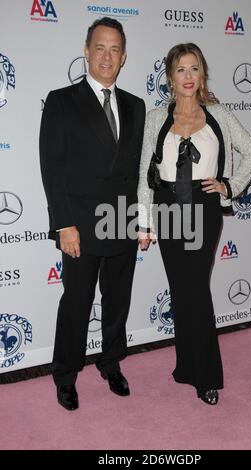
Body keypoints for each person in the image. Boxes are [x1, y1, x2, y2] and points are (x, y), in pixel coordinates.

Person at [138, 43, 251, 405]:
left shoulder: (219, 114)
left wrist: (230, 186)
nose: (188, 76)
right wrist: (145, 222)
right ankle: (186, 366)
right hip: (167, 207)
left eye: (194, 69)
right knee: (181, 288)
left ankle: (206, 375)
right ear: (170, 77)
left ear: (202, 74)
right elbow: (145, 173)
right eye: (181, 69)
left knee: (195, 287)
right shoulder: (155, 117)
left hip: (204, 208)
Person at [40, 17, 145, 410]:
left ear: (123, 57)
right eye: (100, 47)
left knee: (117, 302)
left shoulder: (136, 106)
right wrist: (63, 224)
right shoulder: (61, 101)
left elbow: (136, 171)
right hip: (80, 227)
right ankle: (65, 375)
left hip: (123, 222)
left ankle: (111, 362)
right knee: (76, 304)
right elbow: (52, 167)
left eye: (114, 49)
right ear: (86, 51)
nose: (107, 55)